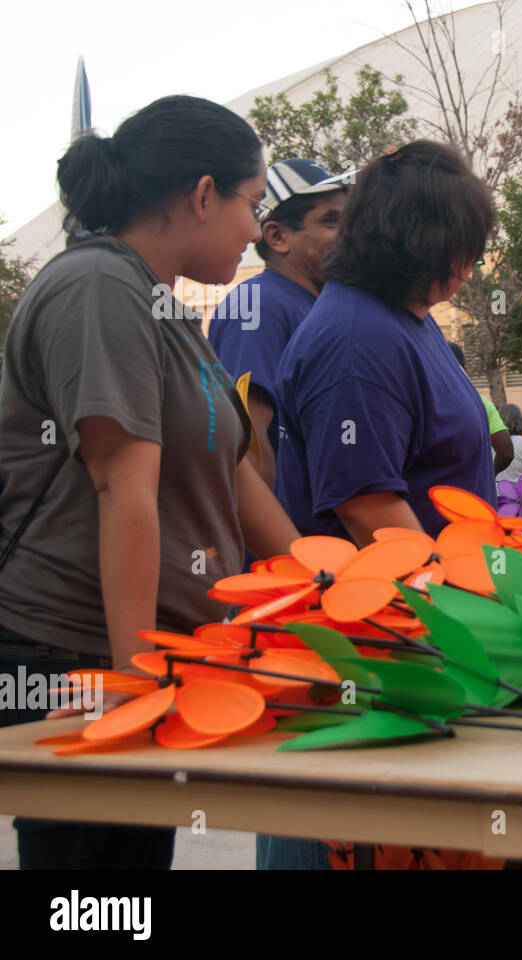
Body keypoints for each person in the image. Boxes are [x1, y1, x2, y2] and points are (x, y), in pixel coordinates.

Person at [0, 95, 299, 869]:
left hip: (158, 654)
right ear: (203, 195)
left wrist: (335, 591)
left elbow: (232, 477)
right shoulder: (99, 287)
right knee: (90, 897)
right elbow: (121, 488)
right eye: (251, 202)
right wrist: (136, 685)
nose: (254, 230)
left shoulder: (165, 305)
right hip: (76, 655)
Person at [274, 140, 496, 547]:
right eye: (465, 251)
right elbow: (367, 506)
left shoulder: (408, 314)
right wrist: (449, 598)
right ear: (419, 246)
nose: (469, 266)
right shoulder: (356, 342)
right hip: (407, 600)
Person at [208, 158, 349, 487]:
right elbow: (247, 448)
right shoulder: (257, 305)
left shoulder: (322, 306)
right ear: (277, 237)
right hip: (290, 536)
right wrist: (275, 539)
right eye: (331, 222)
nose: (350, 235)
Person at [449, 343, 513, 474]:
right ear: (464, 368)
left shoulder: (422, 403)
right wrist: (489, 475)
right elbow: (506, 451)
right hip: (475, 489)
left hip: (432, 490)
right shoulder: (481, 403)